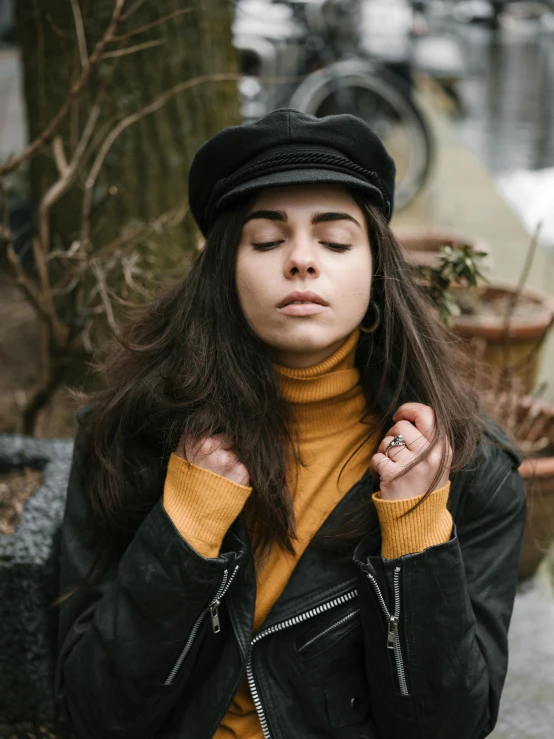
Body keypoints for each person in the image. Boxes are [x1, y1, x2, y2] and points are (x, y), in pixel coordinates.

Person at [54, 108, 526, 739]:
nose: (302, 261)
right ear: (224, 271)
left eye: (334, 241)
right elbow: (93, 713)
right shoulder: (130, 438)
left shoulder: (469, 472)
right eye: (267, 241)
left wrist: (416, 535)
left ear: (377, 273)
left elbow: (447, 726)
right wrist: (185, 527)